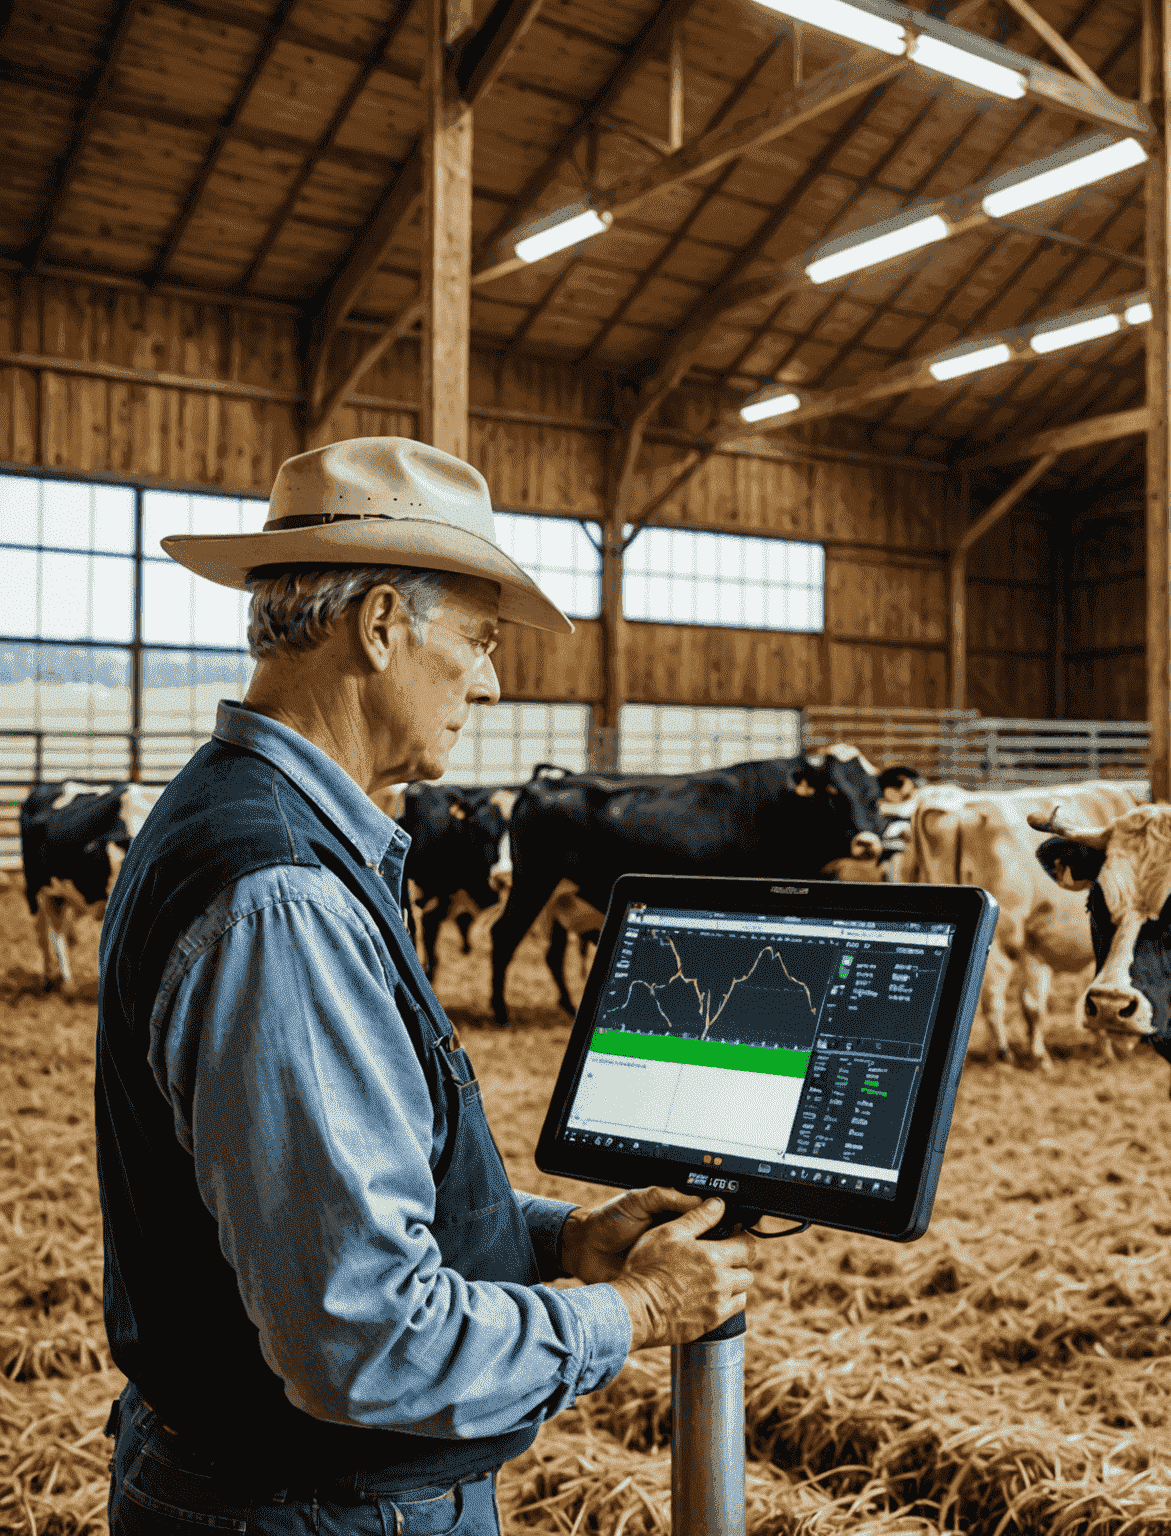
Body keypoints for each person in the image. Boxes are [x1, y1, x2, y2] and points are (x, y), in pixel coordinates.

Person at [96, 438, 756, 1535]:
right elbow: (364, 1341)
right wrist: (630, 1309)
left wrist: (557, 1241)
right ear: (382, 625)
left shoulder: (236, 817)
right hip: (311, 1506)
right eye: (481, 642)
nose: (492, 682)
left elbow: (324, 1201)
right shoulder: (286, 897)